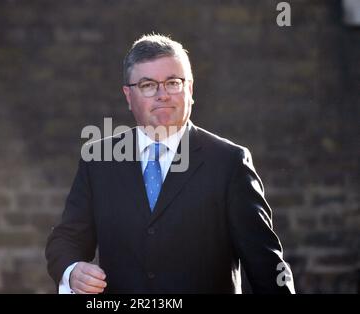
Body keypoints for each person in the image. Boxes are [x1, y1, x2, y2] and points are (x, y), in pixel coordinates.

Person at [45, 34, 295, 294]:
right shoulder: (99, 159)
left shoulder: (229, 163)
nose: (162, 95)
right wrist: (72, 271)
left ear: (190, 89)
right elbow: (67, 239)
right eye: (148, 85)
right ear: (128, 95)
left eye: (173, 83)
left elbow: (266, 265)